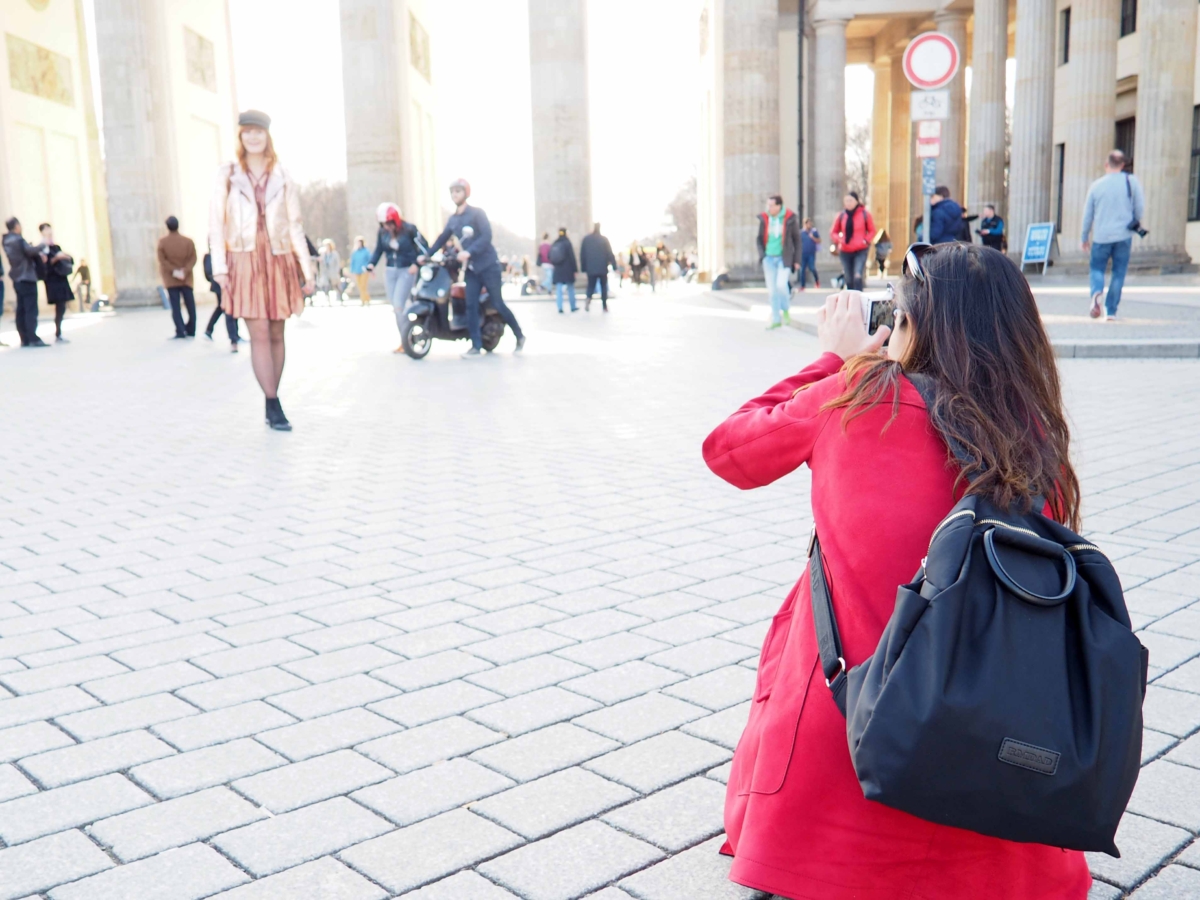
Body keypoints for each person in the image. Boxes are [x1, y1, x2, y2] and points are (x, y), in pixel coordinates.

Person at [703, 241, 1088, 900]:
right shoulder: (1035, 438)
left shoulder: (860, 393)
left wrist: (839, 357)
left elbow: (730, 449)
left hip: (848, 763)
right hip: (995, 769)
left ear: (909, 327)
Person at [208, 109, 315, 431]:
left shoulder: (283, 175)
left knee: (276, 333)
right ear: (240, 137)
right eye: (247, 132)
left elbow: (295, 225)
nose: (253, 137)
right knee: (258, 335)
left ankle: (274, 395)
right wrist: (220, 267)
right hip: (243, 259)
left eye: (259, 132)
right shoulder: (227, 174)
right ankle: (273, 402)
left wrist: (307, 272)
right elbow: (216, 222)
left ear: (267, 136)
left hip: (278, 257)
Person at [423, 178, 525, 358]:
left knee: (498, 303)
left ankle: (519, 335)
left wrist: (469, 252)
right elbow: (442, 238)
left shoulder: (477, 214)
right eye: (452, 192)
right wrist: (427, 254)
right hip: (471, 270)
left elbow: (486, 236)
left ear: (466, 193)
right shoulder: (453, 219)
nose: (455, 194)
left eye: (458, 191)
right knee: (470, 305)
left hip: (488, 266)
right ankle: (476, 346)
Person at [1082, 149, 1144, 321]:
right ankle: (1111, 311)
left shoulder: (1097, 185)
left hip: (1101, 236)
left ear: (1106, 164)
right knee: (1118, 272)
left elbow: (1088, 215)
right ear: (1123, 165)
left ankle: (1096, 293)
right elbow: (1139, 207)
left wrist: (1084, 236)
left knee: (1096, 269)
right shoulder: (1131, 181)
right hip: (1123, 235)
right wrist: (1135, 221)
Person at [368, 203, 428, 352]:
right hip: (390, 272)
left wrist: (417, 264)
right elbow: (378, 250)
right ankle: (407, 339)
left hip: (406, 271)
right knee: (396, 308)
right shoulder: (382, 232)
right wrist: (371, 265)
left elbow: (424, 247)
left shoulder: (410, 230)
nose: (387, 227)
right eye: (383, 224)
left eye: (389, 223)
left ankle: (406, 341)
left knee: (399, 304)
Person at [756, 195, 802, 329]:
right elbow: (759, 239)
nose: (768, 208)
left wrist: (797, 260)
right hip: (769, 258)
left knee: (781, 285)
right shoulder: (765, 219)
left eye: (771, 205)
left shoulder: (789, 219)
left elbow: (797, 241)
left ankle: (786, 309)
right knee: (772, 290)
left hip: (784, 258)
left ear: (779, 206)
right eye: (767, 205)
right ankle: (776, 319)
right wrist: (763, 255)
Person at [3, 218, 48, 347]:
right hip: (26, 277)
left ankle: (24, 337)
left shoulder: (6, 240)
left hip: (17, 278)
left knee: (21, 309)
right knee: (30, 309)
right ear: (16, 226)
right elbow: (30, 251)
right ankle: (32, 337)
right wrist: (42, 244)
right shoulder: (18, 239)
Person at [158, 216, 197, 339]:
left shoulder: (163, 242)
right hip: (186, 278)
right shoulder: (188, 241)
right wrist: (185, 270)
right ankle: (191, 329)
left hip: (171, 279)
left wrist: (174, 271)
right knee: (190, 305)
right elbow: (193, 258)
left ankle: (180, 330)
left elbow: (162, 260)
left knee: (176, 307)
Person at [830, 192, 875, 291]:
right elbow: (833, 232)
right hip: (845, 250)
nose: (848, 203)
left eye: (850, 200)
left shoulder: (865, 214)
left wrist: (865, 240)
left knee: (857, 274)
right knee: (849, 277)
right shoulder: (841, 215)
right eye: (846, 201)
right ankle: (850, 298)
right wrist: (839, 239)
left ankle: (859, 297)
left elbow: (872, 230)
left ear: (856, 201)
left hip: (860, 249)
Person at [37, 223, 74, 343]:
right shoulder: (42, 248)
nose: (49, 231)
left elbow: (68, 259)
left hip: (61, 278)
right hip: (53, 280)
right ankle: (58, 333)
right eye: (46, 229)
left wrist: (65, 257)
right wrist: (56, 258)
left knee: (62, 306)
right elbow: (44, 265)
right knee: (59, 306)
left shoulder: (55, 246)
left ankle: (59, 332)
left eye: (50, 228)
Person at [203, 248, 240, 351]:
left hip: (227, 286)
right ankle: (233, 338)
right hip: (221, 287)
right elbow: (209, 273)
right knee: (228, 310)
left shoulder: (228, 253)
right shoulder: (211, 256)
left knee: (224, 309)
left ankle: (210, 330)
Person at [579, 222, 616, 312]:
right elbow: (609, 253)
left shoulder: (586, 239)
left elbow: (582, 255)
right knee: (603, 286)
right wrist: (614, 266)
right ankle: (604, 305)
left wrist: (583, 268)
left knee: (591, 285)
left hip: (591, 268)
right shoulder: (604, 239)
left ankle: (588, 299)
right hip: (602, 267)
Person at [549, 227, 578, 313]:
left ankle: (560, 307)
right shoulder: (567, 243)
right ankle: (573, 306)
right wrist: (575, 269)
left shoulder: (555, 243)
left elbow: (550, 256)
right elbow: (572, 257)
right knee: (570, 288)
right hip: (568, 269)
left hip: (558, 269)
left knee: (559, 289)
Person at [798, 218, 820, 290]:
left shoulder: (814, 232)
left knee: (812, 267)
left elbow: (819, 240)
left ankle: (817, 281)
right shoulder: (801, 233)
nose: (810, 225)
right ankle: (802, 286)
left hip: (811, 253)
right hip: (803, 253)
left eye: (810, 224)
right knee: (802, 269)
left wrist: (813, 237)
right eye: (808, 224)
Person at [349, 236, 371, 305]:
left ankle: (363, 300)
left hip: (364, 270)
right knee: (360, 286)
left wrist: (368, 267)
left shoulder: (366, 251)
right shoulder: (355, 252)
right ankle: (366, 298)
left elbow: (370, 259)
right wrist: (351, 270)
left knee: (363, 285)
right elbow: (353, 261)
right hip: (357, 270)